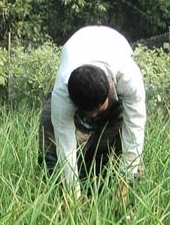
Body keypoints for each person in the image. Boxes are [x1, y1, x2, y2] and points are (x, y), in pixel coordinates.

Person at [39, 25, 146, 198]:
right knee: (53, 145)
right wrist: (74, 197)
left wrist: (127, 178)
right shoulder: (62, 93)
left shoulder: (128, 78)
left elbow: (135, 128)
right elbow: (65, 148)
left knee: (110, 150)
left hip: (114, 46)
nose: (94, 117)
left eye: (99, 109)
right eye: (89, 113)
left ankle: (106, 192)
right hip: (76, 55)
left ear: (110, 86)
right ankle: (58, 198)